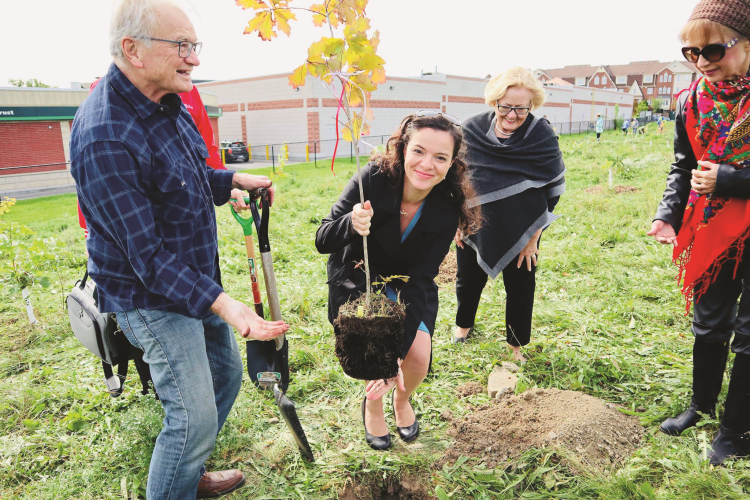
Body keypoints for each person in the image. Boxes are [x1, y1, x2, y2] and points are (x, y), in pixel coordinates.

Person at [69, 0, 289, 498]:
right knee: (191, 418)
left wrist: (231, 178)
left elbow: (185, 177)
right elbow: (144, 258)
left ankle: (187, 470)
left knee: (226, 377)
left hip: (194, 281)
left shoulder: (169, 102)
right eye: (182, 46)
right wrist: (228, 305)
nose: (194, 59)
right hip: (149, 297)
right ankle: (180, 470)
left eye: (195, 45)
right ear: (133, 49)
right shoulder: (105, 134)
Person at [315, 111, 480, 451]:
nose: (426, 164)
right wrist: (351, 223)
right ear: (404, 148)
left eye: (440, 157)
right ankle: (372, 404)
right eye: (418, 151)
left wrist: (399, 353)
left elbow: (420, 277)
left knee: (419, 355)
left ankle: (402, 400)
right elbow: (322, 239)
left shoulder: (446, 207)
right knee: (373, 351)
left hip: (406, 284)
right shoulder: (373, 178)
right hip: (358, 279)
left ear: (451, 164)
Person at [648, 0, 750, 465]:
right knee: (709, 325)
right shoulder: (692, 100)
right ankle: (700, 406)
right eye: (691, 53)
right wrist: (668, 212)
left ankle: (734, 431)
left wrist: (729, 180)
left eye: (713, 49)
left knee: (748, 335)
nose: (702, 62)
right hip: (711, 231)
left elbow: (715, 173)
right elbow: (684, 164)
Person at [452, 67, 565, 363]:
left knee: (520, 287)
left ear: (532, 106)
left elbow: (552, 188)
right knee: (467, 280)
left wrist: (533, 238)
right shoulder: (471, 130)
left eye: (521, 108)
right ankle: (463, 326)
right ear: (494, 103)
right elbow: (455, 179)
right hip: (473, 224)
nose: (512, 115)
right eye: (506, 107)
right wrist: (457, 221)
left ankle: (516, 346)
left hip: (524, 227)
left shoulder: (541, 135)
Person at [78, 78, 228, 243]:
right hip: (143, 224)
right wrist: (88, 229)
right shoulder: (108, 90)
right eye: (180, 50)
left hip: (190, 225)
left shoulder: (188, 90)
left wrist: (229, 182)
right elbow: (96, 174)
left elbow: (206, 150)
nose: (192, 60)